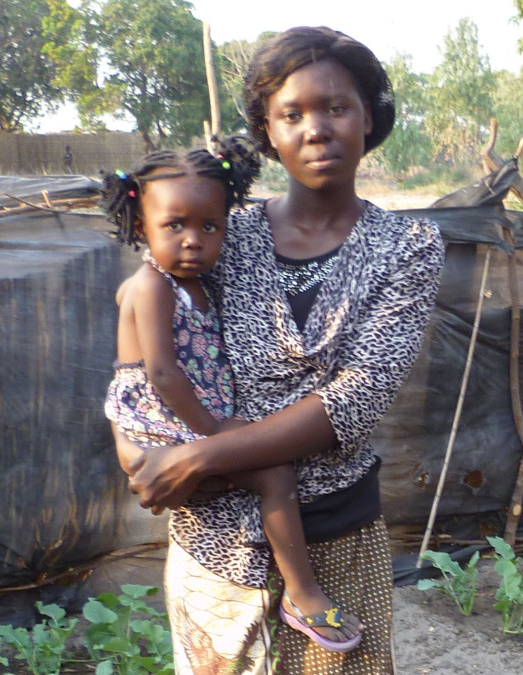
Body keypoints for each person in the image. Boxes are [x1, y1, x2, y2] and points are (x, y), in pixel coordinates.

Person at [116, 26, 442, 675]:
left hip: (336, 536)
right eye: (291, 113)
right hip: (213, 538)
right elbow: (149, 338)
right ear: (267, 131)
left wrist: (199, 454)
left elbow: (352, 399)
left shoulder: (408, 246)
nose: (315, 128)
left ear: (369, 117)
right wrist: (136, 448)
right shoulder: (218, 232)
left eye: (336, 107)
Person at [100, 135, 370, 659]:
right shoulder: (152, 285)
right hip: (164, 419)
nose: (193, 240)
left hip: (184, 417)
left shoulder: (196, 282)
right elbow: (160, 372)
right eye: (173, 226)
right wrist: (216, 432)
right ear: (141, 227)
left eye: (209, 227)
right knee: (272, 474)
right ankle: (302, 592)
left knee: (244, 478)